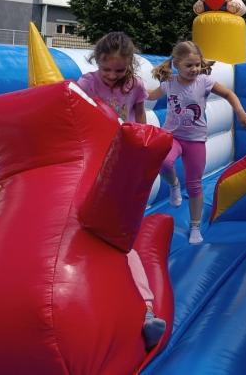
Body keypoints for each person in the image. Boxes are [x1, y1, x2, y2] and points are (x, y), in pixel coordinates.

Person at [75, 31, 166, 349]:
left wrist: (142, 145)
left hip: (120, 157)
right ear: (96, 61)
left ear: (129, 66)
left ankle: (147, 312)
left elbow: (139, 117)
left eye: (119, 70)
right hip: (95, 155)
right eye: (107, 69)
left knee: (123, 239)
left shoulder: (135, 85)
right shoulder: (88, 84)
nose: (112, 76)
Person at [149, 41, 246, 244]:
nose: (194, 69)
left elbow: (228, 94)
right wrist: (131, 89)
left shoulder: (204, 81)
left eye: (197, 64)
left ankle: (195, 226)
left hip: (195, 140)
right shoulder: (170, 83)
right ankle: (174, 185)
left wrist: (240, 111)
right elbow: (151, 95)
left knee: (195, 184)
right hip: (172, 136)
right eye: (189, 65)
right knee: (163, 162)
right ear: (176, 65)